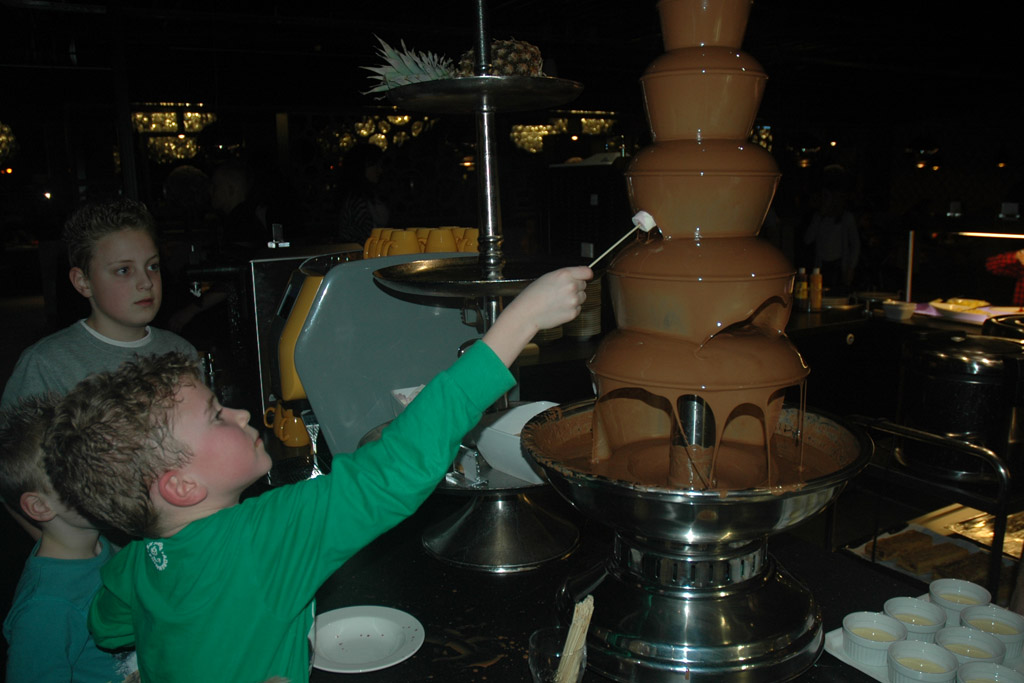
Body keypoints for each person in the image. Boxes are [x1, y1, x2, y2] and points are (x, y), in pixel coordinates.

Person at [45, 265, 591, 683]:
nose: (239, 413)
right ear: (180, 487)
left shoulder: (139, 558)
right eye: (216, 415)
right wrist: (520, 321)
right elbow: (393, 470)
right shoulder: (266, 537)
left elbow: (108, 622)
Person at [1, 198, 197, 539]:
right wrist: (72, 554)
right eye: (124, 270)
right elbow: (11, 478)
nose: (145, 283)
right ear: (82, 282)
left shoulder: (181, 350)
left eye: (152, 266)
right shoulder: (47, 363)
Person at [0, 396, 138, 682]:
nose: (113, 479)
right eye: (84, 475)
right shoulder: (46, 607)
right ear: (40, 507)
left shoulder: (96, 546)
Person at [337, 143, 389, 245]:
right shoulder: (356, 200)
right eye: (374, 165)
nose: (379, 170)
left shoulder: (372, 196)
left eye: (380, 165)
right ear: (360, 167)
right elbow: (368, 240)